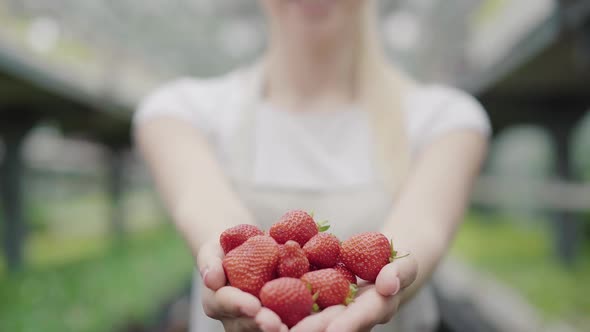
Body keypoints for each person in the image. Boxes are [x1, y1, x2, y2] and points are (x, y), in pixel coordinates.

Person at [133, 0, 490, 331]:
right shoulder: (181, 111)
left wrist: (385, 282)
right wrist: (233, 267)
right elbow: (208, 209)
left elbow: (422, 228)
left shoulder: (445, 118)